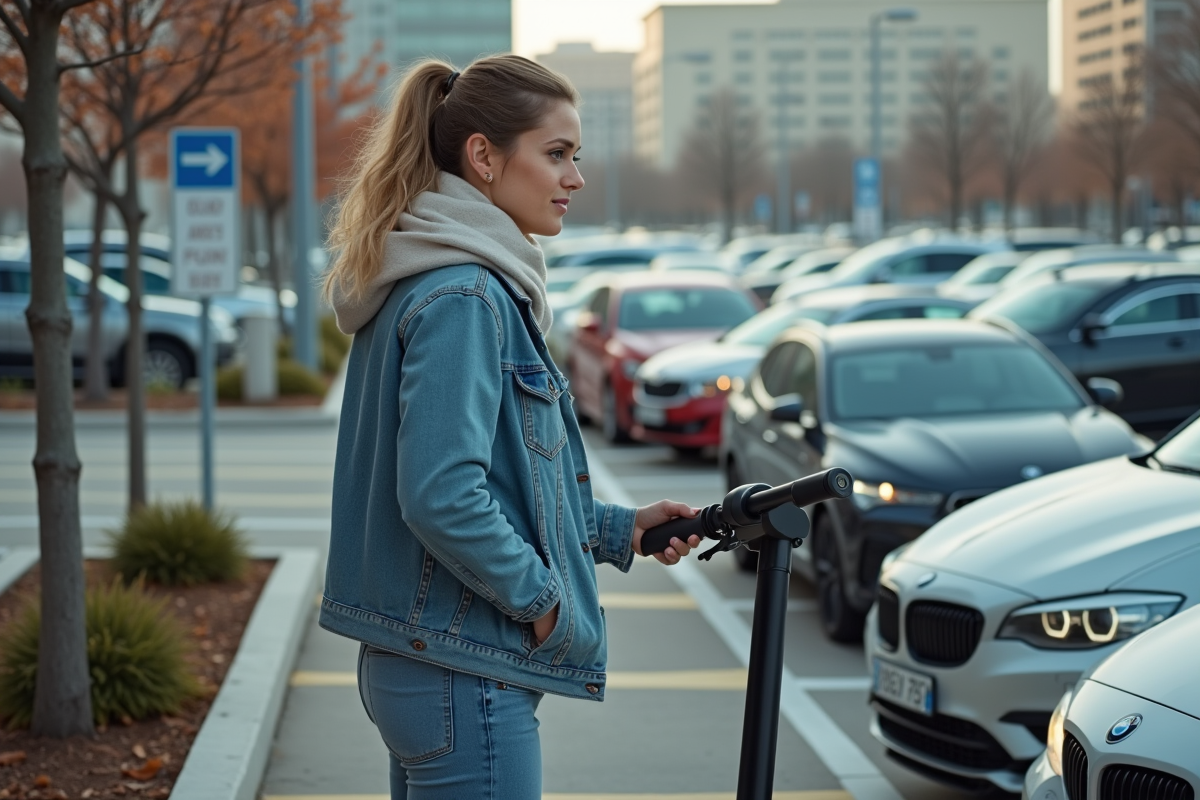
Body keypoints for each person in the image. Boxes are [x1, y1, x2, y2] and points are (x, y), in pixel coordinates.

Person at [318, 54, 705, 800]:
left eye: (576, 156)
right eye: (556, 154)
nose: (575, 178)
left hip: (433, 661)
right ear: (484, 157)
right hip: (461, 670)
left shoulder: (432, 275)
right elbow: (441, 494)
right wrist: (543, 602)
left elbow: (502, 478)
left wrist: (618, 530)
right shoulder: (464, 294)